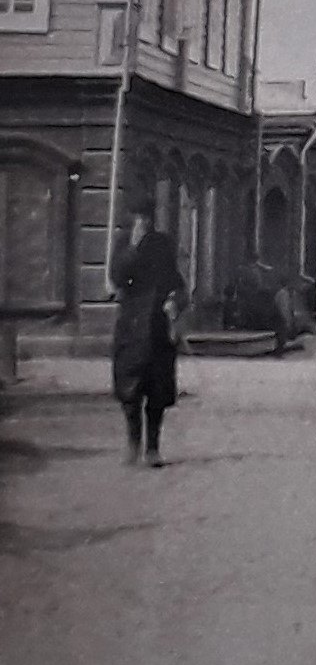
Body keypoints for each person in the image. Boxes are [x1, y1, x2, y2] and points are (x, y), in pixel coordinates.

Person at [110, 198, 187, 468]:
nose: (143, 222)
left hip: (157, 325)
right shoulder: (122, 243)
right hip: (131, 325)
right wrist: (132, 246)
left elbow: (176, 282)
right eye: (138, 217)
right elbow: (117, 277)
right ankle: (133, 444)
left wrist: (174, 301)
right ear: (131, 218)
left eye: (147, 217)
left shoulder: (162, 244)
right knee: (129, 388)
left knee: (157, 390)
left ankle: (153, 448)